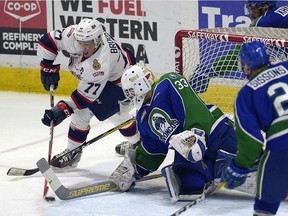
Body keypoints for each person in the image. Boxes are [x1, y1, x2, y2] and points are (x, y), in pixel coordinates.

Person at [108, 65, 238, 202]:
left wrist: (197, 133)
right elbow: (153, 149)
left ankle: (232, 165)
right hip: (189, 155)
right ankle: (215, 170)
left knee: (251, 157)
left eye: (131, 90)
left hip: (214, 131)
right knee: (189, 187)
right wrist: (135, 168)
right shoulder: (142, 118)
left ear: (140, 83)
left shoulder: (167, 83)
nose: (130, 95)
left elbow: (192, 106)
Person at [37, 18, 140, 168]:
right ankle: (138, 142)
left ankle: (139, 142)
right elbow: (49, 40)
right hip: (117, 70)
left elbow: (84, 97)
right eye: (80, 43)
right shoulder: (75, 35)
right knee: (100, 113)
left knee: (101, 112)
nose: (83, 48)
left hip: (122, 83)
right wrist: (47, 66)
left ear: (97, 40)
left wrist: (61, 110)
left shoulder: (101, 62)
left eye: (87, 44)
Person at [221, 41, 288, 216]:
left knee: (265, 204)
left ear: (246, 67)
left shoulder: (246, 94)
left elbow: (252, 142)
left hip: (282, 145)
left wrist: (239, 166)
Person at [191, 1, 288, 94]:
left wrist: (209, 71)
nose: (251, 16)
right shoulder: (280, 13)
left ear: (265, 7)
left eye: (253, 10)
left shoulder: (261, 23)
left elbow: (237, 54)